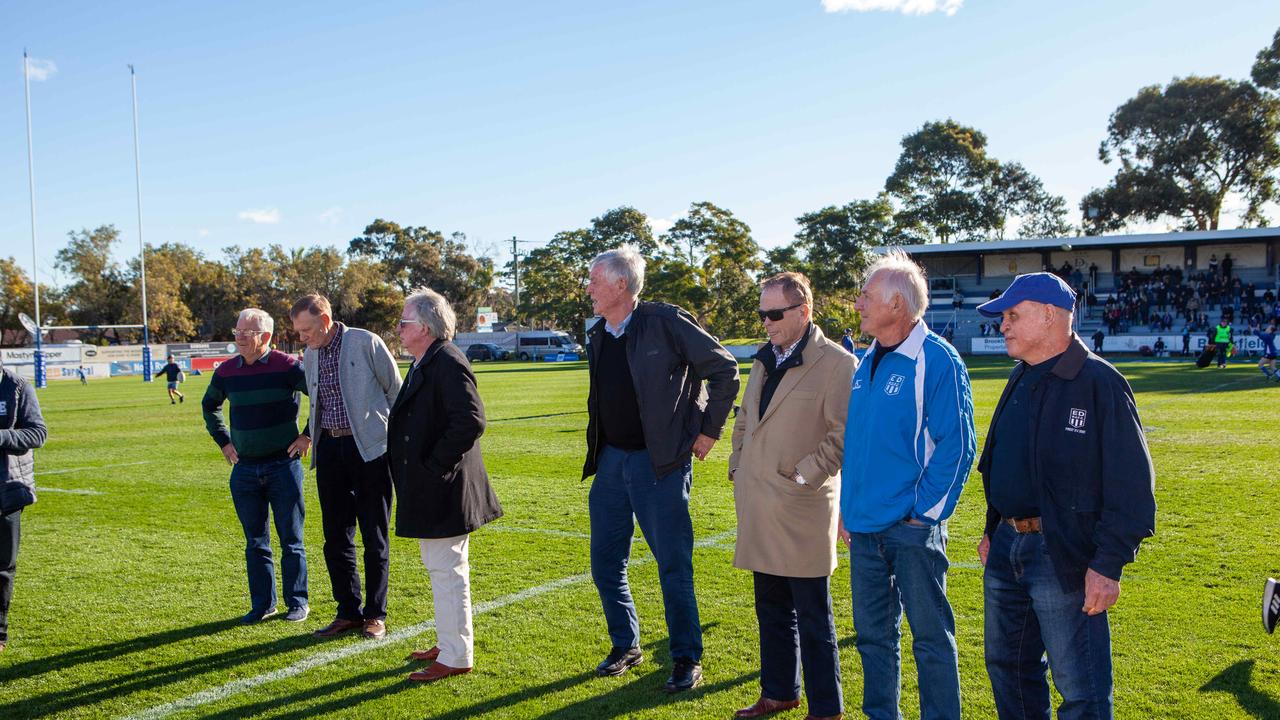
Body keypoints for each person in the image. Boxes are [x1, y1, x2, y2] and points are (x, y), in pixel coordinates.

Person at [975, 272, 1156, 719]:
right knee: (1009, 669)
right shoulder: (1020, 376)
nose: (1003, 326)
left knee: (1081, 688)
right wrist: (992, 527)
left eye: (1013, 316)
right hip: (1007, 548)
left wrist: (1107, 564)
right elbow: (1000, 458)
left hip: (1063, 554)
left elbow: (1131, 486)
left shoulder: (1100, 382)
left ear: (1050, 316)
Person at [582, 245, 740, 692]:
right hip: (612, 462)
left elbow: (725, 369)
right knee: (605, 562)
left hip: (661, 465)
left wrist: (708, 432)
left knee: (673, 564)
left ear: (620, 285)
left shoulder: (665, 322)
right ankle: (626, 643)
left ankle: (687, 656)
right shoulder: (598, 334)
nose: (589, 288)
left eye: (595, 280)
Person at [840, 249, 976, 720]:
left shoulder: (936, 359)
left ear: (897, 305)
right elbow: (859, 445)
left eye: (867, 295)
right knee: (874, 638)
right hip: (864, 526)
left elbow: (957, 446)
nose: (858, 303)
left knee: (931, 638)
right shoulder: (865, 360)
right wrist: (848, 509)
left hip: (910, 529)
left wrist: (924, 516)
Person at [728, 272, 855, 720]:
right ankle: (779, 691)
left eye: (774, 313)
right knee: (771, 609)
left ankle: (827, 709)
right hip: (760, 502)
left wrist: (803, 477)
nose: (766, 321)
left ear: (804, 312)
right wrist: (737, 463)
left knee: (814, 618)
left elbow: (842, 436)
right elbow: (745, 417)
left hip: (802, 508)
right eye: (762, 313)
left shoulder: (838, 363)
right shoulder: (764, 359)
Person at [389, 288, 503, 682]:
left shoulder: (447, 360)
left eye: (403, 323)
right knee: (442, 567)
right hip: (434, 485)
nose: (399, 330)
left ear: (424, 327)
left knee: (447, 569)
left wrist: (433, 466)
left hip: (444, 486)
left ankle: (456, 655)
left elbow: (471, 421)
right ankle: (449, 642)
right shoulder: (427, 360)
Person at [291, 294, 402, 639]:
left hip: (370, 452)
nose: (302, 337)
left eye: (306, 329)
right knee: (335, 536)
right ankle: (348, 611)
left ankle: (375, 614)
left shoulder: (365, 342)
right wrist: (308, 435)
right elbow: (319, 404)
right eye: (298, 331)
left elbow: (395, 393)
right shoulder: (310, 355)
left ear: (325, 319)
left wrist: (392, 442)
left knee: (374, 535)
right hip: (330, 452)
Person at [201, 308, 310, 624]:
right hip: (245, 469)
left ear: (265, 337)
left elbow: (320, 396)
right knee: (255, 541)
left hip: (283, 465)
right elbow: (210, 406)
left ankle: (297, 603)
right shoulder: (226, 372)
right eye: (236, 332)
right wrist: (223, 441)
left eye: (245, 333)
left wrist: (306, 435)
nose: (238, 338)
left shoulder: (288, 366)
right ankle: (263, 604)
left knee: (291, 539)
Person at [0, 367, 48, 653]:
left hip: (7, 490)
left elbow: (38, 434)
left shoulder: (17, 387)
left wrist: (1, 436)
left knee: (2, 568)